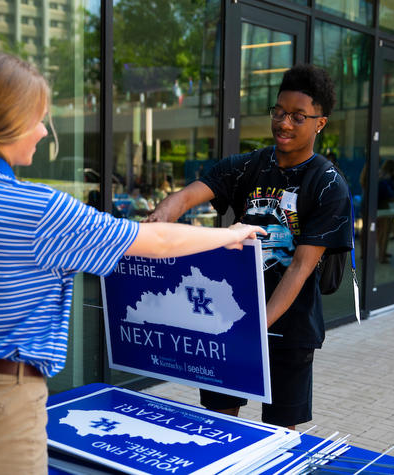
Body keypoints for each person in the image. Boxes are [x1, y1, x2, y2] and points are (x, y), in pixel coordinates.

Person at [0, 53, 264, 475]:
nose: (43, 131)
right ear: (12, 123)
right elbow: (156, 241)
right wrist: (232, 234)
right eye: (40, 119)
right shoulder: (36, 211)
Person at [147, 63, 352, 429]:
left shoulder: (327, 185)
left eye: (298, 116)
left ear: (320, 122)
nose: (284, 123)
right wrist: (161, 216)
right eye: (279, 112)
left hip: (290, 331)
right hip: (231, 316)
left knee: (278, 436)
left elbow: (301, 268)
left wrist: (256, 326)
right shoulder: (248, 167)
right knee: (221, 427)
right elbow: (191, 194)